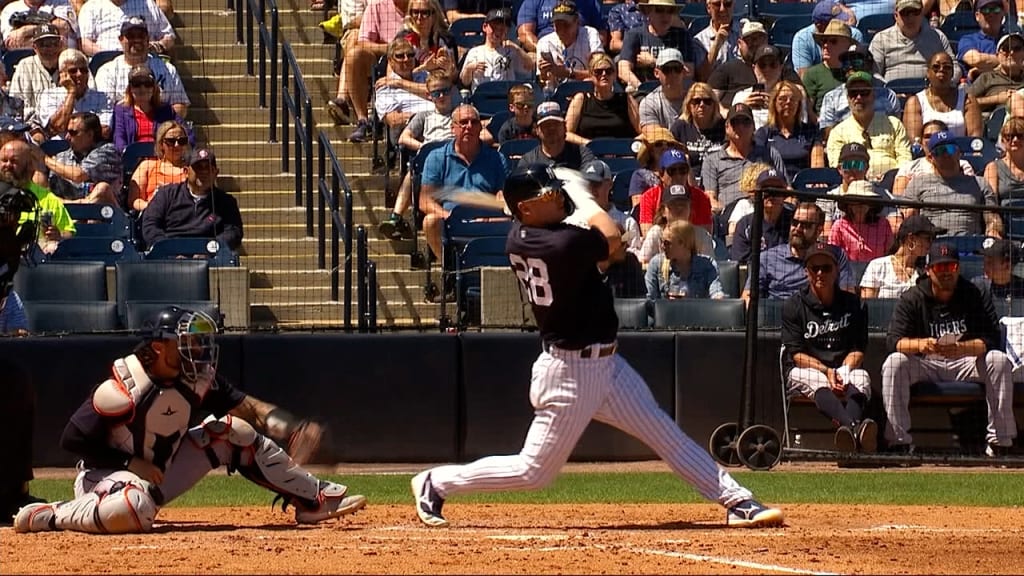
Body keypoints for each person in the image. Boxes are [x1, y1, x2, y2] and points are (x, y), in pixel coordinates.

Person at [410, 163, 786, 529]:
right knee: (532, 472)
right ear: (525, 209)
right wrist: (583, 198)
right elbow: (611, 239)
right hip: (570, 374)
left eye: (555, 191)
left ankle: (737, 500)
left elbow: (567, 230)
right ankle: (436, 482)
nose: (556, 196)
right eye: (548, 194)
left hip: (606, 366)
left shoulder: (528, 235)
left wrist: (556, 199)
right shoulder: (556, 244)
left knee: (664, 434)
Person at [13, 306, 368, 534]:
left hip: (157, 477)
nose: (195, 350)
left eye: (197, 342)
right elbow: (72, 441)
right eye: (186, 343)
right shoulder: (125, 386)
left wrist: (291, 428)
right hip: (103, 482)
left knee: (233, 432)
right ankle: (54, 514)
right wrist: (130, 462)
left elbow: (249, 408)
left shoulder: (195, 380)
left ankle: (314, 499)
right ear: (157, 348)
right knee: (134, 508)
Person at [882, 241, 1017, 456]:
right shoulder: (913, 297)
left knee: (999, 361)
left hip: (965, 362)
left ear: (958, 268)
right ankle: (899, 442)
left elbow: (990, 338)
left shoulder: (973, 293)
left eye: (951, 267)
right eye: (940, 267)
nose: (946, 272)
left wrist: (963, 348)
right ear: (929, 270)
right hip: (927, 363)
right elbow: (894, 342)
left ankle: (1000, 442)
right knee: (894, 363)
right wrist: (921, 344)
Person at [781, 242, 877, 453]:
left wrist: (843, 370)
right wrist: (827, 371)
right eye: (814, 268)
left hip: (842, 368)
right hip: (806, 370)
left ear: (837, 270)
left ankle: (848, 435)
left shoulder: (855, 304)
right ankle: (855, 429)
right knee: (816, 380)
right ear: (806, 272)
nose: (820, 273)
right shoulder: (794, 305)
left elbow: (859, 348)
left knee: (862, 378)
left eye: (826, 268)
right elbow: (796, 355)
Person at [0, 182, 43, 525]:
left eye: (15, 216)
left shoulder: (7, 256)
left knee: (14, 382)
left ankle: (13, 493)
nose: (14, 223)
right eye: (6, 216)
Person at [419, 104, 508, 263]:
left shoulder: (496, 159)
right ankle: (449, 268)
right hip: (451, 221)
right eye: (463, 122)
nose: (469, 127)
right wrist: (450, 217)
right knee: (429, 221)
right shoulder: (436, 157)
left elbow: (503, 194)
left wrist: (493, 214)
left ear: (480, 127)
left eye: (474, 122)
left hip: (487, 219)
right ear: (453, 128)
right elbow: (425, 201)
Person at [380, 71, 455, 240]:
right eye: (436, 93)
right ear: (429, 96)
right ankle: (396, 217)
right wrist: (424, 147)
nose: (442, 95)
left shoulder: (460, 114)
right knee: (413, 171)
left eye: (445, 91)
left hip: (455, 159)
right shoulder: (424, 116)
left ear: (451, 91)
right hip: (431, 161)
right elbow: (404, 138)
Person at [327, 0, 409, 141]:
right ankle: (363, 121)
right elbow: (363, 42)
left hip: (416, 61)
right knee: (354, 54)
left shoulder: (421, 6)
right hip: (383, 59)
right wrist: (390, 49)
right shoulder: (376, 6)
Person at [743, 202, 857, 302]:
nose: (797, 228)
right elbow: (748, 297)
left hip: (820, 317)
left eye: (805, 225)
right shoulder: (767, 258)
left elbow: (847, 294)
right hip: (778, 317)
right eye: (794, 222)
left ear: (819, 230)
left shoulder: (834, 255)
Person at [141, 148, 244, 252]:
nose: (203, 172)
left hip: (210, 256)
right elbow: (150, 225)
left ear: (216, 173)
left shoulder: (226, 202)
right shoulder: (166, 195)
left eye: (208, 168)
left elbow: (233, 232)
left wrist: (210, 250)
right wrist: (168, 248)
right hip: (169, 257)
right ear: (186, 171)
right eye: (198, 167)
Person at [903, 130, 1002, 237]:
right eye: (940, 151)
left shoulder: (979, 183)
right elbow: (909, 221)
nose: (946, 154)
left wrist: (994, 230)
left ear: (959, 153)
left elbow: (992, 217)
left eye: (950, 149)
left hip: (970, 244)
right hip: (931, 244)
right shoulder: (918, 183)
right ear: (930, 158)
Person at [93, 17, 190, 119]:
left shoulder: (167, 69)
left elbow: (180, 105)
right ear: (121, 40)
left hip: (159, 126)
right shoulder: (107, 71)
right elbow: (104, 110)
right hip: (123, 128)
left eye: (141, 36)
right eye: (130, 36)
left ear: (148, 39)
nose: (136, 40)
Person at [702, 102, 788, 217]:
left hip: (766, 211)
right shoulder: (713, 160)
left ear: (754, 127)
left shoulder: (770, 153)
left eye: (745, 122)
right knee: (743, 206)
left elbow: (786, 188)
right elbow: (710, 197)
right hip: (729, 214)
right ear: (727, 127)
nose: (740, 127)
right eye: (735, 123)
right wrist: (721, 211)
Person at [825, 71, 913, 180]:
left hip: (893, 183)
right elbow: (837, 166)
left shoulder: (894, 124)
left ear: (873, 95)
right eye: (853, 93)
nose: (858, 97)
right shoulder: (838, 132)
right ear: (848, 98)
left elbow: (905, 159)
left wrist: (892, 177)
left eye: (864, 92)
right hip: (855, 186)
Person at [4, 139, 74, 254]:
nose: (8, 165)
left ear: (30, 166)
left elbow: (69, 233)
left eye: (14, 161)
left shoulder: (48, 199)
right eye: (4, 160)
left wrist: (59, 235)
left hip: (36, 263)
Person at [617, 0, 705, 88]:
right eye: (659, 10)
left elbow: (688, 72)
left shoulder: (682, 36)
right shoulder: (635, 34)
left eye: (670, 11)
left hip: (674, 91)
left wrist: (654, 62)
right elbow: (623, 70)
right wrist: (642, 88)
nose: (665, 16)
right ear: (648, 12)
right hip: (642, 92)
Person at [818, 44, 903, 135]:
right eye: (846, 63)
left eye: (856, 62)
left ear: (869, 64)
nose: (850, 67)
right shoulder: (831, 97)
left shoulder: (888, 95)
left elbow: (895, 128)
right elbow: (828, 133)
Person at [869, 0, 959, 83]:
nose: (910, 17)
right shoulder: (881, 38)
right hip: (893, 95)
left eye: (915, 12)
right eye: (905, 13)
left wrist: (944, 85)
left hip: (930, 94)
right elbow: (873, 73)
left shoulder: (937, 36)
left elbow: (955, 68)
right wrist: (888, 91)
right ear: (896, 16)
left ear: (922, 13)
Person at [44, 111, 122, 205]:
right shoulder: (61, 158)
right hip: (70, 217)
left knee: (102, 188)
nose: (67, 137)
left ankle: (80, 207)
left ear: (90, 135)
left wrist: (44, 159)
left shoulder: (108, 152)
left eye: (73, 132)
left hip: (108, 216)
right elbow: (52, 195)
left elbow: (79, 175)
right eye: (67, 132)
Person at [34, 49, 113, 139]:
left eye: (83, 70)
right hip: (60, 148)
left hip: (93, 150)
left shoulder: (102, 98)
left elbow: (104, 131)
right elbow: (57, 126)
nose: (79, 74)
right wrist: (71, 92)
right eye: (73, 71)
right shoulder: (49, 95)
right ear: (62, 74)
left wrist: (74, 134)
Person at [111, 64, 190, 153]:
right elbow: (118, 139)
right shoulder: (121, 110)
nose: (142, 88)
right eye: (136, 84)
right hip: (133, 159)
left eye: (147, 84)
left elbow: (188, 133)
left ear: (154, 88)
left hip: (162, 159)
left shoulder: (166, 110)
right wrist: (127, 153)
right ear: (130, 89)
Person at [902, 51, 982, 140]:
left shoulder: (967, 100)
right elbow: (914, 141)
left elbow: (975, 140)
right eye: (936, 66)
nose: (941, 70)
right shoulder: (915, 102)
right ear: (928, 72)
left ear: (952, 73)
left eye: (947, 67)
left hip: (960, 152)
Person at [860, 214, 943, 299]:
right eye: (928, 238)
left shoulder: (926, 271)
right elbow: (867, 304)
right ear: (911, 239)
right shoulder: (878, 266)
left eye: (933, 239)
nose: (931, 243)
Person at [566, 53, 640, 145]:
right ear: (591, 75)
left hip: (620, 154)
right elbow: (567, 133)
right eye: (598, 72)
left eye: (609, 71)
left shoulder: (626, 99)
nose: (604, 74)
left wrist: (627, 146)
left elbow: (642, 131)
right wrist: (589, 144)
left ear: (614, 75)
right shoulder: (580, 99)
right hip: (589, 154)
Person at [753, 80, 824, 175]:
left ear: (799, 104)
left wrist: (817, 179)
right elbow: (758, 166)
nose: (788, 102)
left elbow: (817, 164)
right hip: (774, 185)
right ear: (774, 103)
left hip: (803, 185)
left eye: (793, 99)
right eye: (782, 99)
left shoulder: (810, 131)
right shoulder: (763, 133)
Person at [638, 147, 713, 236]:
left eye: (682, 170)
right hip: (661, 246)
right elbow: (647, 233)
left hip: (693, 246)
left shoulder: (701, 197)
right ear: (661, 174)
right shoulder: (649, 196)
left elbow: (705, 234)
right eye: (672, 171)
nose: (678, 176)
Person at [535, 0, 604, 94]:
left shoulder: (590, 34)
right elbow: (543, 84)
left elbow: (601, 73)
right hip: (557, 95)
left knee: (589, 81)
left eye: (566, 25)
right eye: (558, 25)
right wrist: (544, 74)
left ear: (577, 21)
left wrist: (568, 73)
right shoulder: (545, 42)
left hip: (587, 93)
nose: (562, 30)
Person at [731, 45, 807, 131]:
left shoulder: (793, 94)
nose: (767, 69)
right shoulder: (741, 97)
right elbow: (733, 130)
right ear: (754, 68)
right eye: (762, 65)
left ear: (781, 67)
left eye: (773, 65)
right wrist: (743, 109)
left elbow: (801, 126)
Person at [892, 119, 975, 196]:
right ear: (921, 142)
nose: (932, 139)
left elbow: (968, 191)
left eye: (936, 135)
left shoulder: (962, 164)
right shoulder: (909, 167)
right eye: (927, 136)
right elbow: (899, 198)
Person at [646, 219, 724, 300]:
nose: (662, 246)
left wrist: (718, 298)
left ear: (683, 243)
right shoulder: (657, 264)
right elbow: (650, 299)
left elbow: (716, 292)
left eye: (667, 243)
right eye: (661, 242)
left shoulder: (707, 265)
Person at [373, 38, 435, 141]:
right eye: (400, 56)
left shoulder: (425, 76)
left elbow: (437, 92)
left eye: (410, 55)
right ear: (390, 61)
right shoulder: (385, 87)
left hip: (440, 123)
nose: (406, 59)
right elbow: (393, 120)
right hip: (413, 132)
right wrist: (423, 117)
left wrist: (401, 83)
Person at [729, 165, 794, 263]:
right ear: (757, 194)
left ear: (784, 194)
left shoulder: (795, 222)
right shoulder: (745, 224)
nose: (771, 195)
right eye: (766, 190)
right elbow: (741, 263)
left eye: (776, 190)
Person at [459, 8, 532, 90]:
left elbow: (529, 67)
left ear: (507, 31)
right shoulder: (475, 52)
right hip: (483, 96)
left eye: (502, 29)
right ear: (485, 27)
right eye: (494, 27)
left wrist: (517, 48)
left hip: (505, 96)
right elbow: (465, 82)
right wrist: (470, 68)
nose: (498, 32)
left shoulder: (511, 51)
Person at [9, 24, 64, 130]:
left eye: (54, 43)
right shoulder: (25, 65)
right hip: (32, 127)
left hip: (66, 124)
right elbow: (14, 107)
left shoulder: (71, 64)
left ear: (61, 44)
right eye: (43, 44)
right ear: (34, 47)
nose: (50, 49)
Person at [128, 120, 190, 212]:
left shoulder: (193, 168)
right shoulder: (147, 166)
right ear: (161, 144)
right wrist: (152, 208)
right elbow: (134, 201)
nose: (177, 145)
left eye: (182, 141)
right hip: (153, 216)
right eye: (171, 141)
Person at [670, 82, 727, 181]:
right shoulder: (680, 127)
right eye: (696, 101)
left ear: (714, 105)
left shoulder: (724, 126)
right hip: (688, 182)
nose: (702, 105)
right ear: (689, 105)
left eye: (707, 101)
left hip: (720, 180)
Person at [827, 180, 893, 263]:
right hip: (847, 272)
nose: (859, 206)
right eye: (855, 201)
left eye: (865, 201)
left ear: (871, 204)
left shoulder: (883, 224)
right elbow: (833, 254)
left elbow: (889, 252)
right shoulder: (839, 225)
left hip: (877, 271)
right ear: (849, 204)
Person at [77, 0, 175, 56]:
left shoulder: (148, 4)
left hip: (145, 60)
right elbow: (84, 42)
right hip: (105, 62)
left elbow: (169, 36)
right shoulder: (92, 6)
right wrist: (109, 54)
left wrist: (159, 46)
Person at [791, 0, 862, 77]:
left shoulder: (854, 35)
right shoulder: (802, 38)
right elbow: (805, 77)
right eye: (835, 21)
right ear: (819, 26)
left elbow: (856, 73)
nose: (841, 23)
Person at [519, 101, 596, 169]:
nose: (551, 128)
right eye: (546, 125)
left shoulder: (582, 155)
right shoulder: (528, 161)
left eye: (556, 124)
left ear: (564, 127)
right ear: (537, 130)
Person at [802, 20, 857, 115]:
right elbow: (807, 110)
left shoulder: (855, 72)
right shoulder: (812, 74)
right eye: (824, 41)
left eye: (833, 41)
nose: (826, 45)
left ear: (847, 46)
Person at [629, 125, 685, 209]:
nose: (665, 148)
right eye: (659, 144)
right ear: (651, 150)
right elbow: (638, 207)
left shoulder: (682, 172)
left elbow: (695, 197)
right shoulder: (640, 175)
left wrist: (686, 164)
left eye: (669, 144)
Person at [516, 0, 603, 53]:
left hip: (581, 51)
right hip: (543, 49)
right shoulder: (533, 1)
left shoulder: (590, 2)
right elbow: (524, 34)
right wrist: (542, 51)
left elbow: (602, 36)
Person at [969, 32, 1024, 115]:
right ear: (998, 56)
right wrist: (997, 99)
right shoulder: (987, 77)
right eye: (1006, 49)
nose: (1011, 52)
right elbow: (966, 103)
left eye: (1017, 48)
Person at [638, 49, 689, 130]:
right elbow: (653, 136)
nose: (673, 74)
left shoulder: (696, 99)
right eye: (667, 69)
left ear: (684, 72)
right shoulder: (649, 103)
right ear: (656, 73)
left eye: (677, 69)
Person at [957, 0, 1006, 80]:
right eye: (985, 10)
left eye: (996, 9)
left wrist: (982, 70)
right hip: (978, 89)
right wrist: (1009, 61)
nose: (991, 14)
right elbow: (976, 60)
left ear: (1002, 14)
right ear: (977, 16)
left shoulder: (1012, 39)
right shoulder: (968, 40)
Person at [984, 115, 1024, 203]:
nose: (1015, 140)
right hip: (1006, 215)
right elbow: (991, 202)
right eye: (1009, 136)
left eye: (1020, 136)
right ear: (1002, 140)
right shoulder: (993, 167)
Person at [693, 0, 740, 68]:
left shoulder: (745, 33)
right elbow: (702, 76)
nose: (722, 9)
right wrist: (716, 46)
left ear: (733, 6)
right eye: (717, 4)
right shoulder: (699, 41)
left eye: (727, 4)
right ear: (708, 8)